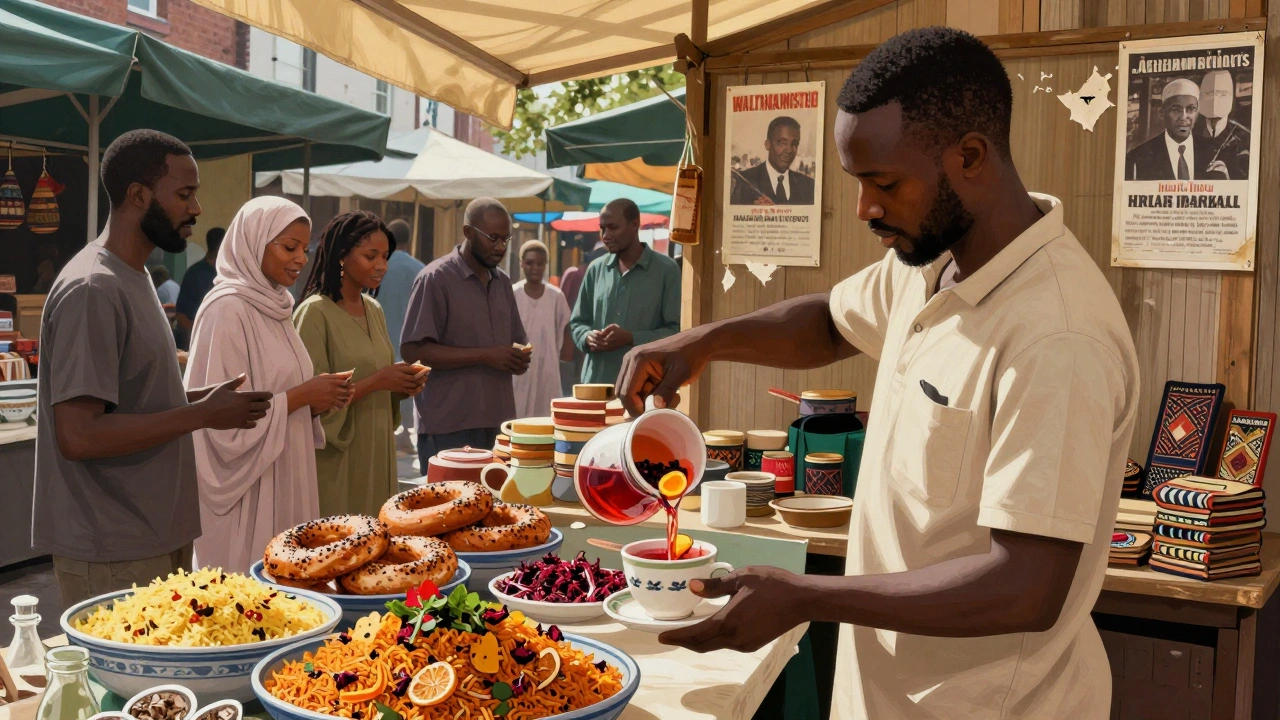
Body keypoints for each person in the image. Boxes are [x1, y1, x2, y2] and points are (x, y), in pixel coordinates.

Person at [615, 28, 1138, 719]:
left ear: (971, 156)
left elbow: (1027, 586)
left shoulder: (1057, 335)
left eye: (884, 183)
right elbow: (832, 322)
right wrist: (702, 342)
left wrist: (805, 597)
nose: (864, 208)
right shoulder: (934, 263)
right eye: (858, 183)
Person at [32, 129, 271, 606]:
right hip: (113, 546)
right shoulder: (92, 288)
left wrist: (201, 400)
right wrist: (201, 416)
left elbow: (131, 404)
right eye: (185, 194)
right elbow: (79, 435)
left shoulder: (133, 275)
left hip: (156, 533)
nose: (197, 209)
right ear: (138, 196)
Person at [185, 197, 352, 573]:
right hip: (246, 488)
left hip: (285, 466)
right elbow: (216, 421)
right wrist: (300, 397)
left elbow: (282, 389)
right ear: (252, 242)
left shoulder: (277, 306)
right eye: (289, 247)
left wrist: (317, 400)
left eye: (304, 249)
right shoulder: (226, 309)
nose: (300, 259)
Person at [296, 211, 428, 517]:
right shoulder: (314, 314)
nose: (381, 265)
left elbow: (378, 374)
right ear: (342, 255)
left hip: (378, 447)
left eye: (385, 256)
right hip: (338, 459)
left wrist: (402, 384)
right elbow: (311, 407)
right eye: (371, 256)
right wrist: (379, 381)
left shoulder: (374, 309)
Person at [401, 197, 529, 471]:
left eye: (506, 239)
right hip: (449, 424)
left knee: (495, 510)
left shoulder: (503, 282)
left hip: (498, 422)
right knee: (447, 509)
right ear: (468, 232)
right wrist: (485, 356)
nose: (501, 247)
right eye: (493, 238)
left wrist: (517, 357)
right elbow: (414, 351)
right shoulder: (435, 278)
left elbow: (516, 340)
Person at [570, 198, 680, 386]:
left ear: (634, 225)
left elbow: (676, 332)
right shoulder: (595, 269)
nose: (605, 235)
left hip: (643, 387)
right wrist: (588, 337)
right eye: (602, 228)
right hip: (596, 386)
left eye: (613, 227)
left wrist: (631, 338)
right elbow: (578, 323)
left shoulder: (666, 271)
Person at [378, 218, 427, 452]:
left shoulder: (378, 266)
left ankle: (389, 431)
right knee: (408, 384)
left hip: (379, 334)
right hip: (408, 337)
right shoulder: (419, 269)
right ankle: (406, 432)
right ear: (409, 240)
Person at [512, 240, 573, 417]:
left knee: (546, 415)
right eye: (530, 263)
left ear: (546, 265)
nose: (535, 268)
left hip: (548, 366)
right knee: (518, 416)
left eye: (540, 263)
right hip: (520, 367)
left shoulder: (556, 296)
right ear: (521, 263)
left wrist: (563, 359)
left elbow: (566, 326)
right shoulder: (512, 293)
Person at [1124, 77, 1219, 181]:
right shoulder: (1138, 157)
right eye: (1176, 109)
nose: (1183, 117)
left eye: (1191, 109)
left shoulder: (1214, 151)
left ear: (1197, 113)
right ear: (1162, 112)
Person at [729, 116, 816, 205]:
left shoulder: (809, 186)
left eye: (794, 144)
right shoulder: (742, 183)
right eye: (782, 142)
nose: (789, 150)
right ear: (767, 144)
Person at [1194, 69, 1250, 181]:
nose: (1215, 99)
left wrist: (1226, 177)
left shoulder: (1244, 138)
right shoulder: (1189, 134)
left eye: (1222, 94)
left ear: (1231, 98)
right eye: (1209, 94)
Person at [174, 227, 224, 350]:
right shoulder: (196, 274)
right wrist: (200, 339)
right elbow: (182, 316)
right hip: (201, 345)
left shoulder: (227, 274)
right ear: (221, 247)